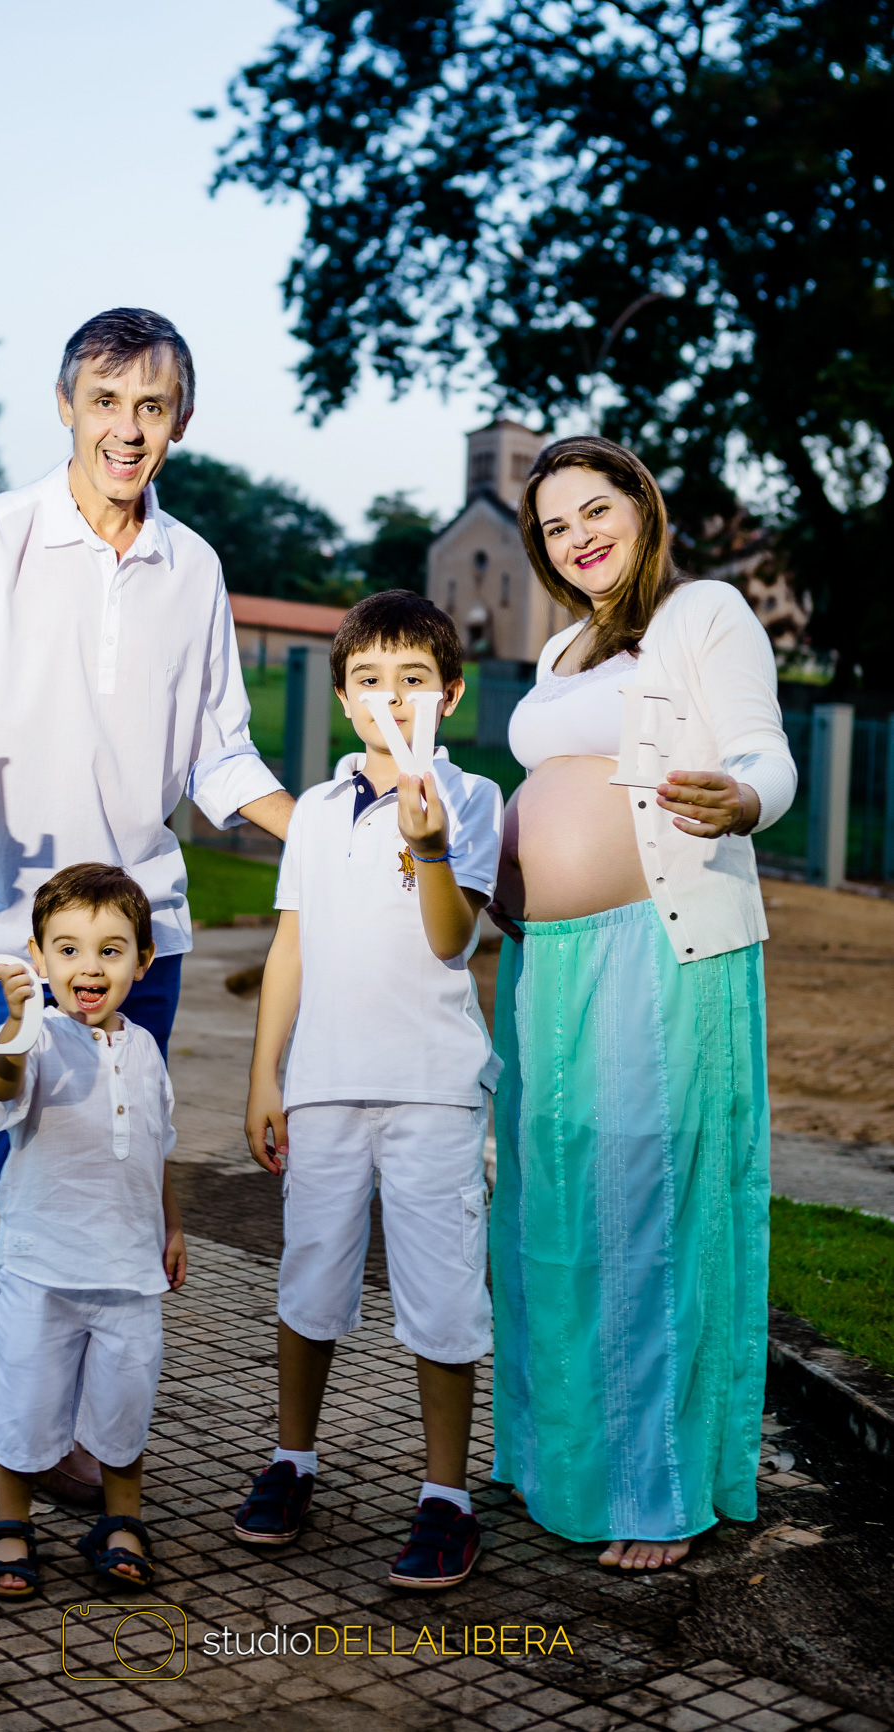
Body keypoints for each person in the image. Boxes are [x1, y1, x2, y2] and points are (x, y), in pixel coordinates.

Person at [0, 308, 294, 1529]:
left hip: (133, 934)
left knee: (104, 1197)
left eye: (151, 405)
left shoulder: (194, 569)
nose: (127, 427)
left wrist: (321, 829)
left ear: (181, 421)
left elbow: (218, 752)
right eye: (106, 400)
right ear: (67, 405)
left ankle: (54, 1433)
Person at [488, 435, 796, 1570]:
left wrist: (744, 800)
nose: (577, 536)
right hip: (545, 959)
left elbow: (765, 751)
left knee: (647, 1213)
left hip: (657, 948)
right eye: (554, 525)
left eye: (594, 509)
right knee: (549, 1213)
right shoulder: (562, 646)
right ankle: (558, 1459)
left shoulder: (703, 612)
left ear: (641, 505)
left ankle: (655, 1488)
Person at [237, 592, 503, 1589]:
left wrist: (427, 843)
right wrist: (264, 1075)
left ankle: (446, 1497)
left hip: (432, 1088)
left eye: (413, 678)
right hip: (324, 1085)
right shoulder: (313, 811)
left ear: (450, 694)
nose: (391, 697)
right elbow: (290, 948)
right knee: (309, 1277)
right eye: (369, 679)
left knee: (441, 1291)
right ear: (345, 699)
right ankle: (291, 1460)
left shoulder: (474, 799)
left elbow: (451, 939)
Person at [0, 863, 186, 1599]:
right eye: (67, 950)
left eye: (110, 950)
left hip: (129, 1274)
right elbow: (1, 1086)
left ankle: (121, 1521)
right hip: (41, 1270)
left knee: (124, 1407)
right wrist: (12, 1027)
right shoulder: (32, 1040)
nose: (88, 967)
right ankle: (10, 1525)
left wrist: (172, 1226)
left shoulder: (146, 1050)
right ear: (37, 957)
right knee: (25, 1402)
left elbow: (156, 1145)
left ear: (142, 961)